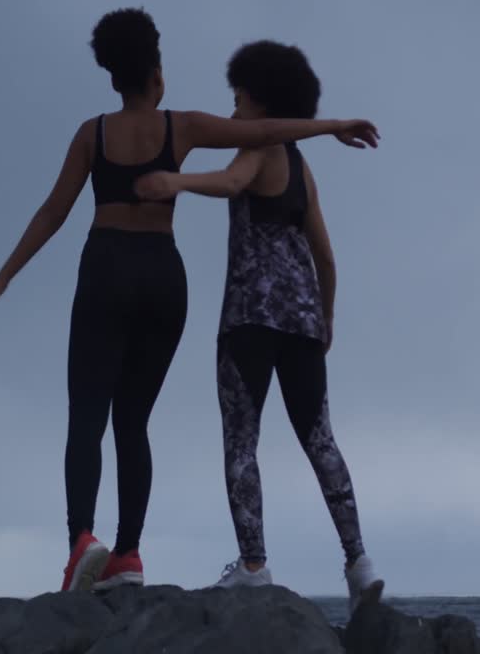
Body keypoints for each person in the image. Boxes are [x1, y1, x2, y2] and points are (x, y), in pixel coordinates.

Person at [0, 9, 379, 594]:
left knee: (88, 416)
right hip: (166, 279)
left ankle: (83, 544)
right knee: (134, 421)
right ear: (157, 74)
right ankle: (129, 558)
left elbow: (53, 211)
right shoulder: (181, 126)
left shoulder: (92, 134)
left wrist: (2, 278)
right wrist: (332, 123)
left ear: (115, 76)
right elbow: (265, 133)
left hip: (108, 268)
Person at [134, 40, 384, 612]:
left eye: (239, 99)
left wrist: (174, 182)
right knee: (321, 441)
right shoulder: (302, 168)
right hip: (301, 323)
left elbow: (229, 181)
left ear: (259, 100)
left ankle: (253, 566)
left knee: (241, 444)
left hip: (247, 320)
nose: (233, 112)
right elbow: (326, 257)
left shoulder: (262, 147)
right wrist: (327, 316)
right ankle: (359, 563)